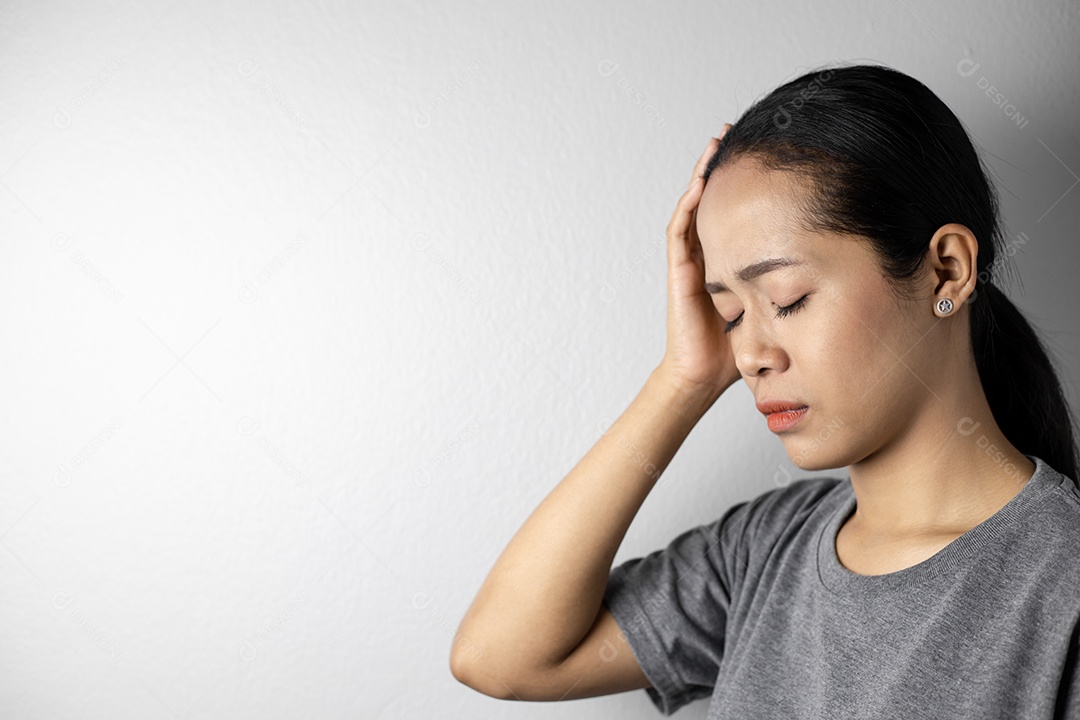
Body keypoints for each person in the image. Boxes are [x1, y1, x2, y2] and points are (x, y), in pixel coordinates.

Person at [449, 63, 1080, 718]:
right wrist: (683, 380)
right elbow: (500, 656)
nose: (750, 355)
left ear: (947, 271)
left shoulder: (1061, 589)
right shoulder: (763, 549)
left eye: (788, 298)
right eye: (729, 314)